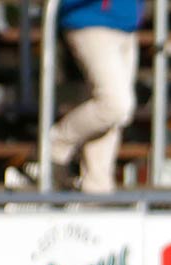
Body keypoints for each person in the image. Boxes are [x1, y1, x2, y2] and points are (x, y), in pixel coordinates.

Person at [48, 0, 142, 193]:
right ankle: (55, 143)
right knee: (115, 105)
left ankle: (97, 188)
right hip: (90, 20)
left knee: (114, 113)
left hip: (126, 24)